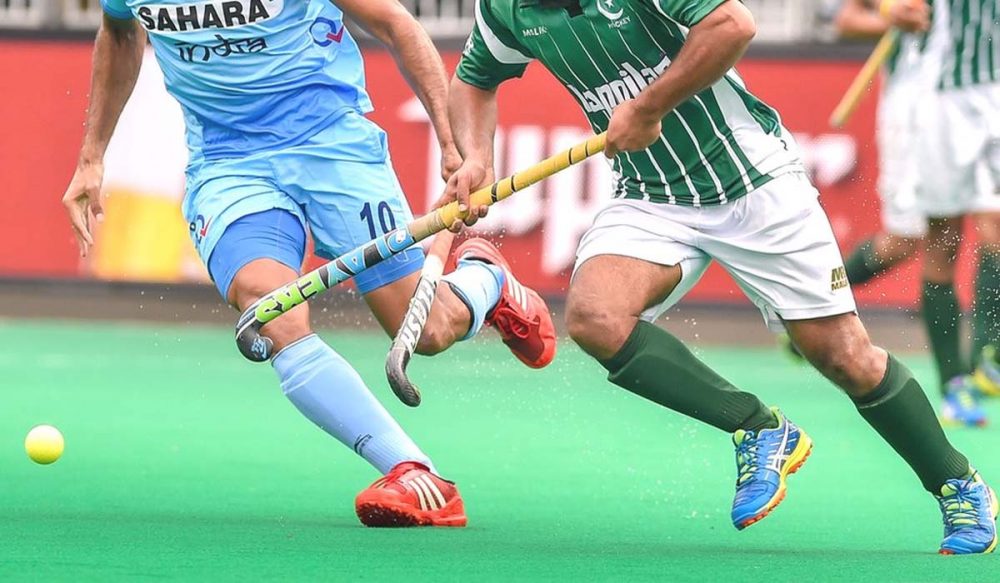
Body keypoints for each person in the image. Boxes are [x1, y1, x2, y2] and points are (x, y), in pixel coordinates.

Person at [445, 0, 997, 553]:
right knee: (595, 317)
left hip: (754, 183)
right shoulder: (506, 8)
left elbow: (733, 24)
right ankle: (759, 428)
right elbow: (473, 80)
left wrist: (649, 106)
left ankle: (957, 483)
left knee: (844, 356)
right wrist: (476, 158)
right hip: (651, 194)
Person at [62, 0, 556, 528]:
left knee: (428, 330)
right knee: (270, 309)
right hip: (228, 163)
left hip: (332, 144)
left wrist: (451, 143)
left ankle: (486, 279)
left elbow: (396, 24)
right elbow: (120, 34)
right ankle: (412, 471)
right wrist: (92, 156)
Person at [833, 0, 1000, 427]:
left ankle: (988, 358)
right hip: (931, 102)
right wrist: (889, 16)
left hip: (993, 93)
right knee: (928, 240)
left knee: (996, 226)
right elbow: (849, 19)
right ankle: (813, 301)